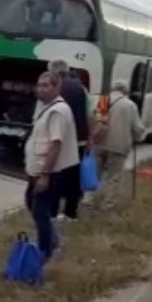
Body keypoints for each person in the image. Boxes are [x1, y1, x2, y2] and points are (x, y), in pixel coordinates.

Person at [24, 72, 79, 260]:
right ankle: (52, 241)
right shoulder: (47, 108)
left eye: (46, 85)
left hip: (47, 172)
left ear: (56, 87)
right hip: (37, 169)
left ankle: (46, 251)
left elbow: (56, 144)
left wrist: (45, 175)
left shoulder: (58, 111)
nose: (41, 88)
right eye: (39, 85)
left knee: (40, 211)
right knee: (31, 203)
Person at [48, 59, 91, 221]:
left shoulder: (53, 87)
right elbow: (90, 114)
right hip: (78, 140)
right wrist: (89, 138)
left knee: (55, 176)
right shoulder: (81, 88)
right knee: (74, 178)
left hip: (59, 138)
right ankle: (70, 213)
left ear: (53, 72)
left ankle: (52, 212)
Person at [97, 80, 145, 183]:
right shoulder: (130, 105)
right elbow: (138, 128)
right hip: (118, 146)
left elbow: (99, 122)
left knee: (96, 176)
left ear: (113, 89)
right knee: (114, 178)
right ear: (126, 92)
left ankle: (90, 198)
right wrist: (138, 138)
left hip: (100, 144)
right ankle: (109, 199)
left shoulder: (103, 101)